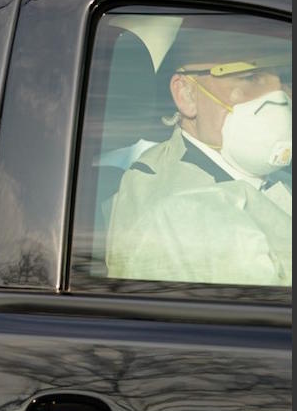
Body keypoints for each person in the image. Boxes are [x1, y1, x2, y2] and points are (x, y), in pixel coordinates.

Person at [106, 26, 292, 286]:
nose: (280, 95)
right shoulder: (175, 212)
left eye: (286, 77)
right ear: (187, 94)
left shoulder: (262, 174)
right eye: (251, 77)